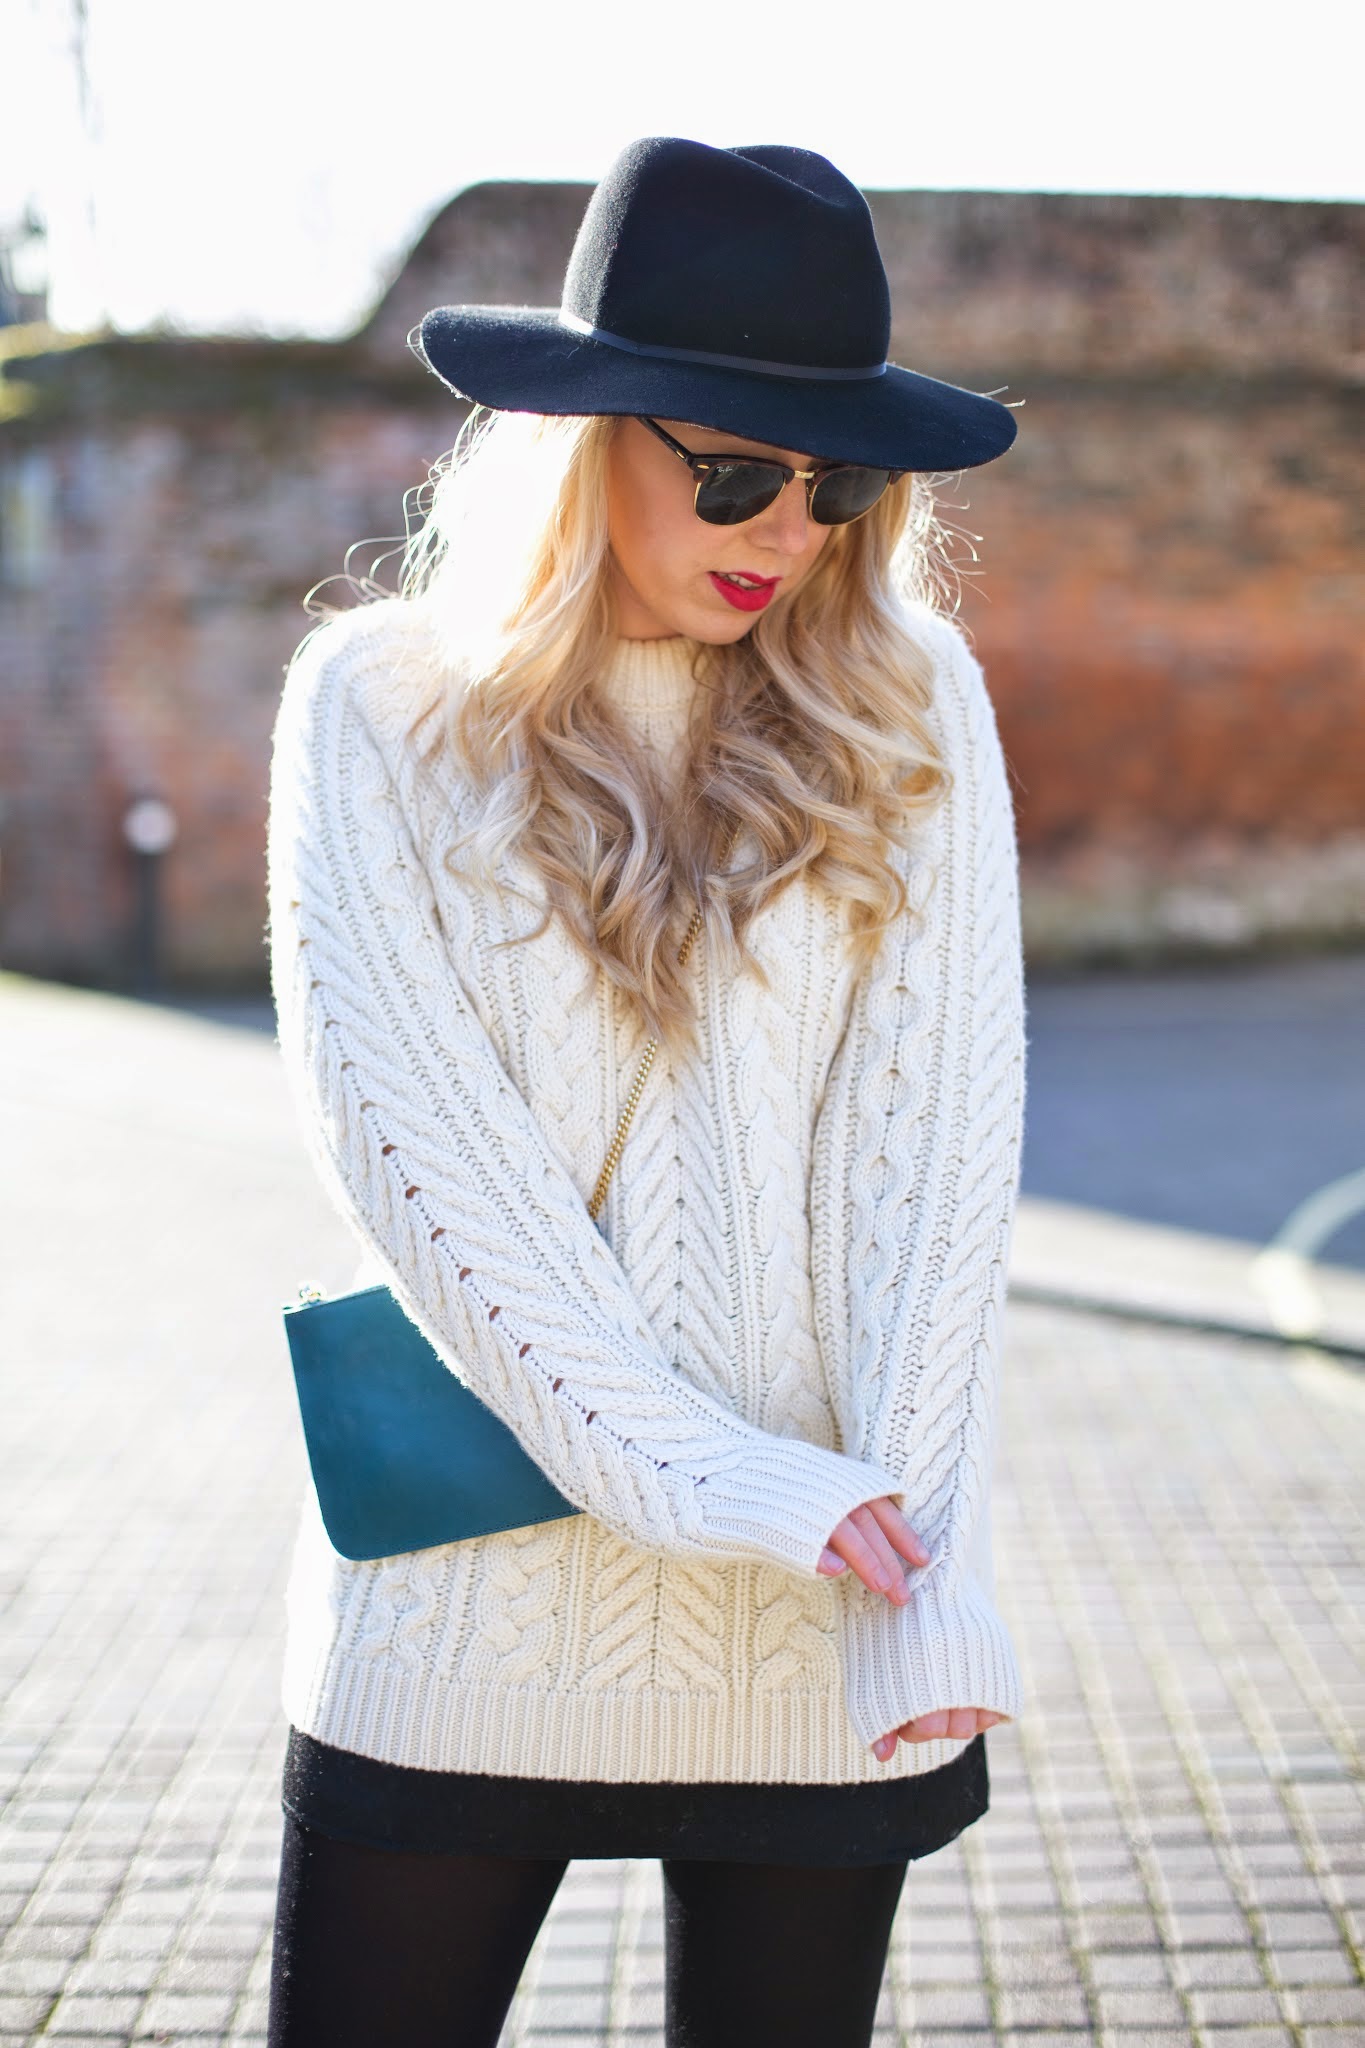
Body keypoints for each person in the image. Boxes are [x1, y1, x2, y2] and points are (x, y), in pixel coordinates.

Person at [264, 135, 1026, 2048]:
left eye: (841, 482)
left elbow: (935, 1171)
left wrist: (915, 1559)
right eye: (738, 471)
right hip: (476, 1588)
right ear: (581, 440)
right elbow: (421, 1171)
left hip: (828, 1601)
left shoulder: (907, 700)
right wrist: (720, 1481)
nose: (791, 532)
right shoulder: (379, 705)